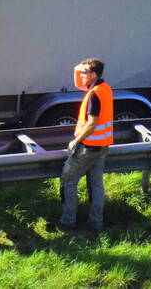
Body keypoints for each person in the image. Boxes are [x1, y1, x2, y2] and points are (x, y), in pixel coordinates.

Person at [57, 57, 113, 233]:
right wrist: (78, 67)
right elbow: (78, 83)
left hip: (88, 146)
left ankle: (67, 223)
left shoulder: (94, 95)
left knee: (68, 180)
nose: (81, 75)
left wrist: (76, 141)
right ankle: (96, 224)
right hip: (103, 145)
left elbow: (91, 123)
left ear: (94, 75)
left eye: (84, 72)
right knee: (96, 184)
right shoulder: (104, 88)